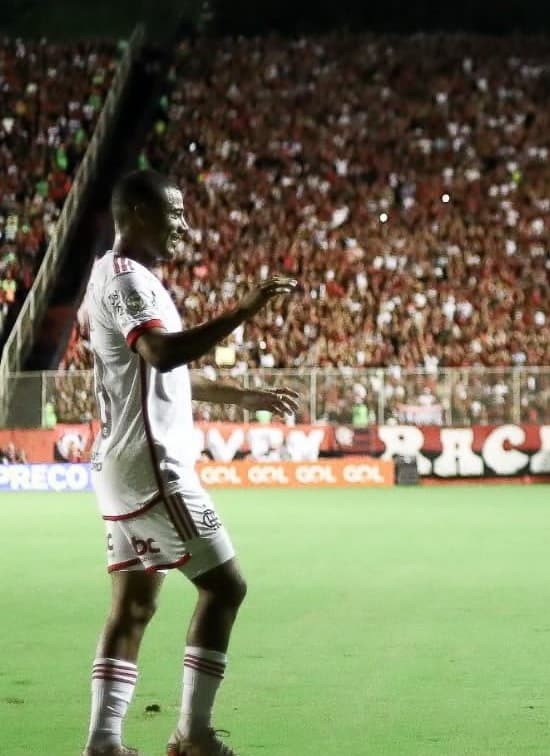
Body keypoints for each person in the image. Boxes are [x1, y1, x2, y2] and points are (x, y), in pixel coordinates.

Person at [81, 170, 300, 756]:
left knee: (134, 606)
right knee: (226, 587)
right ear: (138, 213)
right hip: (152, 467)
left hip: (119, 466)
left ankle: (103, 742)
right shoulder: (130, 282)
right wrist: (243, 310)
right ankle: (192, 733)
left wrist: (245, 397)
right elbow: (160, 352)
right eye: (174, 213)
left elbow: (160, 370)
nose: (185, 225)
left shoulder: (110, 274)